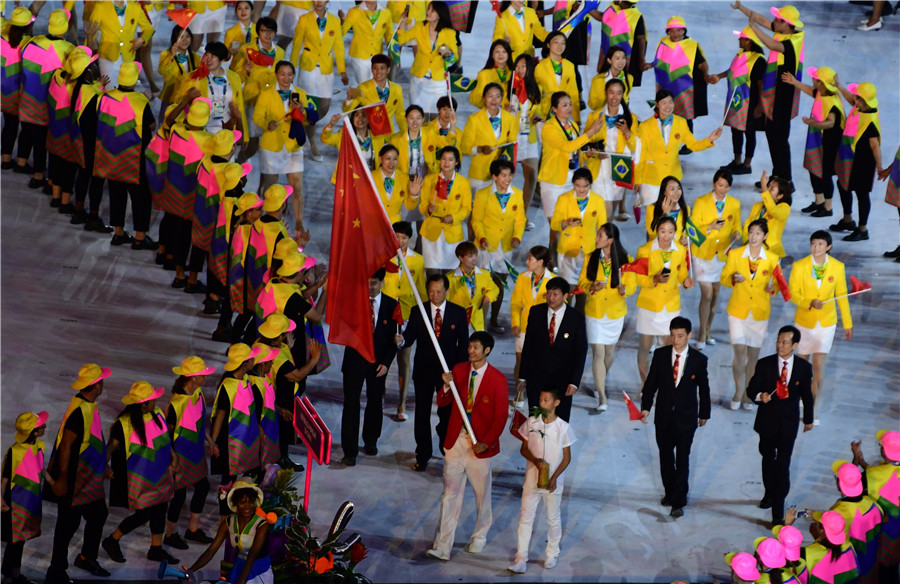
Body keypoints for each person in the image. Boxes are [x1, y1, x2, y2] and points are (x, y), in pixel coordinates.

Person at [426, 331, 508, 561]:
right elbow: (443, 402)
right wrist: (444, 386)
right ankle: (442, 546)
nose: (471, 351)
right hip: (455, 443)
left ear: (487, 350)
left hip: (479, 447)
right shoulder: (459, 370)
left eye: (476, 347)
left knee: (482, 496)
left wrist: (487, 442)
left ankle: (479, 536)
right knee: (449, 495)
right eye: (470, 346)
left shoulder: (498, 380)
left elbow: (501, 417)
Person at [44, 364, 112, 583]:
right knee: (67, 525)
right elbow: (65, 446)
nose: (103, 384)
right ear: (95, 385)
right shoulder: (78, 411)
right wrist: (62, 478)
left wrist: (104, 464)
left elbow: (93, 439)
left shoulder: (89, 405)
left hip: (89, 479)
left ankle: (86, 557)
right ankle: (56, 571)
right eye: (101, 381)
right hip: (74, 480)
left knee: (98, 514)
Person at [395, 274, 469, 472]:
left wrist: (458, 373)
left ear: (446, 291)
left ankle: (447, 449)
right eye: (431, 291)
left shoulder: (458, 313)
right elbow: (410, 337)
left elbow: (463, 346)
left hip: (448, 374)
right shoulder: (418, 311)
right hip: (424, 370)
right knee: (422, 413)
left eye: (438, 291)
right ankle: (423, 454)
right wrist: (402, 341)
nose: (434, 295)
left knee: (446, 415)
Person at [640, 316, 711, 518]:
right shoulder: (661, 355)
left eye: (680, 336)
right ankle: (670, 492)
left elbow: (704, 389)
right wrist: (646, 407)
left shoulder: (699, 360)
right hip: (663, 416)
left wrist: (704, 413)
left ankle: (678, 501)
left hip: (686, 418)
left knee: (682, 459)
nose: (676, 340)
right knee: (665, 457)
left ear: (689, 335)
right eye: (673, 335)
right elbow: (651, 384)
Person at [745, 325, 814, 526]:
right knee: (768, 459)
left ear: (794, 345)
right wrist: (760, 396)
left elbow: (807, 396)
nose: (780, 345)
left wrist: (808, 419)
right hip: (767, 422)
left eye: (785, 342)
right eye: (778, 340)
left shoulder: (803, 368)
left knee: (783, 465)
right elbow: (751, 389)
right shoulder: (765, 364)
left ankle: (778, 510)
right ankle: (768, 493)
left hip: (788, 424)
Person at [102, 382, 177, 564]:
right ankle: (112, 540)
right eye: (152, 400)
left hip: (160, 475)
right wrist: (105, 467)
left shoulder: (157, 414)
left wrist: (173, 457)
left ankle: (156, 549)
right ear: (143, 405)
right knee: (145, 514)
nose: (156, 402)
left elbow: (165, 439)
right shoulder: (124, 424)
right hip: (139, 480)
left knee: (160, 509)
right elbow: (111, 447)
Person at [731, 1, 805, 184]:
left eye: (777, 20)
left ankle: (786, 180)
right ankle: (778, 175)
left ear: (786, 24)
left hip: (783, 96)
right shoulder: (786, 31)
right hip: (776, 93)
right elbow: (762, 19)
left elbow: (772, 45)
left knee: (779, 138)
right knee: (773, 136)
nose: (773, 22)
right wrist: (742, 8)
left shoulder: (790, 43)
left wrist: (753, 29)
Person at [508, 386, 576, 573]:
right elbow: (524, 449)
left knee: (552, 518)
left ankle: (552, 553)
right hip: (531, 480)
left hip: (553, 483)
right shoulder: (532, 423)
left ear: (556, 403)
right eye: (540, 399)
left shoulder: (563, 428)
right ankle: (521, 557)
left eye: (546, 400)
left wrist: (554, 478)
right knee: (525, 517)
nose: (542, 403)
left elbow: (567, 458)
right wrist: (536, 461)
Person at [788, 230, 852, 423]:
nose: (816, 248)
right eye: (813, 244)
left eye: (820, 244)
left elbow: (842, 296)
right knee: (801, 365)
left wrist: (847, 323)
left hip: (826, 323)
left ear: (828, 247)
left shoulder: (837, 267)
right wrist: (809, 302)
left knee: (818, 365)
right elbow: (793, 293)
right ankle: (798, 397)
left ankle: (812, 409)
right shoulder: (799, 266)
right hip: (804, 322)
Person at [93, 62, 158, 250]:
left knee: (116, 193)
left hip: (110, 157)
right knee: (141, 197)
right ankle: (139, 236)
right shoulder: (140, 101)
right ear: (135, 80)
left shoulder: (105, 97)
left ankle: (119, 232)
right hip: (133, 159)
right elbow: (151, 126)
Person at [341, 269, 399, 466]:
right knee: (351, 404)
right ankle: (350, 450)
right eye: (366, 283)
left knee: (375, 402)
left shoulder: (392, 305)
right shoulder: (352, 302)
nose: (370, 287)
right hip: (354, 361)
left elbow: (395, 339)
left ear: (382, 282)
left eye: (374, 283)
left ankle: (371, 440)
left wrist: (387, 363)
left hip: (378, 363)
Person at [720, 219, 780, 410]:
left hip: (759, 312)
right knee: (739, 354)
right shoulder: (736, 254)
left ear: (765, 236)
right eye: (751, 232)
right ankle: (738, 390)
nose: (753, 237)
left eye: (758, 233)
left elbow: (778, 284)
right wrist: (732, 278)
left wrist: (773, 288)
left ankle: (748, 392)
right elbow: (723, 278)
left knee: (753, 356)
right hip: (738, 310)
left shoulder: (772, 258)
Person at [577, 223, 635, 413]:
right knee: (598, 353)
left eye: (600, 235)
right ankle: (602, 396)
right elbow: (582, 283)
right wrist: (591, 287)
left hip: (615, 313)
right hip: (595, 312)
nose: (596, 238)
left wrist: (625, 290)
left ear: (611, 240)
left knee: (609, 354)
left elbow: (632, 285)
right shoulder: (590, 258)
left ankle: (598, 380)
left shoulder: (627, 260)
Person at [253, 60, 317, 230]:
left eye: (289, 74)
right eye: (282, 74)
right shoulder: (266, 94)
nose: (286, 78)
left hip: (293, 146)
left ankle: (298, 223)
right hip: (271, 147)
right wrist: (268, 123)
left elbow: (312, 119)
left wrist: (302, 110)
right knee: (271, 188)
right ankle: (268, 222)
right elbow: (257, 117)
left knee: (297, 186)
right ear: (276, 75)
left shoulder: (301, 94)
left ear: (294, 75)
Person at [539, 92, 604, 257]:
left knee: (572, 225)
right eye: (564, 105)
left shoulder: (573, 126)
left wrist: (587, 155)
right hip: (553, 182)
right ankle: (552, 261)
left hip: (572, 181)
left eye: (570, 104)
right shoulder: (548, 128)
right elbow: (566, 147)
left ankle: (569, 260)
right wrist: (589, 133)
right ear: (554, 109)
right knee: (558, 226)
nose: (569, 108)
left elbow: (574, 152)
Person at [164, 357, 217, 551]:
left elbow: (200, 423)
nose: (206, 377)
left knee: (202, 487)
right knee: (178, 496)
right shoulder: (176, 403)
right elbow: (167, 434)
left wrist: (210, 441)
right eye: (203, 375)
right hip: (180, 455)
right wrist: (172, 457)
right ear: (193, 378)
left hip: (196, 452)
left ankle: (192, 529)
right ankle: (170, 534)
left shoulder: (199, 393)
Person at [518, 277, 588, 423]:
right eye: (549, 293)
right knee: (535, 420)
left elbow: (580, 352)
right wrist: (523, 376)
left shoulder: (576, 318)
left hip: (562, 380)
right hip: (537, 377)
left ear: (565, 296)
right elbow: (528, 345)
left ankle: (557, 446)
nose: (551, 298)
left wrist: (574, 382)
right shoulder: (536, 312)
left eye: (555, 294)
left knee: (560, 421)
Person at [16, 9, 73, 190]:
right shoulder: (68, 51)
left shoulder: (31, 44)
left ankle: (27, 166)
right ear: (65, 27)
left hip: (27, 103)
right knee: (45, 143)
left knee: (29, 135)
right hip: (48, 108)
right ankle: (42, 176)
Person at [635, 90, 721, 207]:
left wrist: (710, 139)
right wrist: (638, 180)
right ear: (657, 104)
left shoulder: (680, 122)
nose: (668, 106)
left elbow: (693, 145)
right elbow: (640, 155)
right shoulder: (645, 127)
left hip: (673, 178)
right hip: (651, 179)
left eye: (670, 102)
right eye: (664, 103)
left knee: (672, 215)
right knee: (653, 217)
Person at [634, 215, 694, 384]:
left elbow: (681, 272)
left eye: (670, 232)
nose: (666, 236)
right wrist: (654, 280)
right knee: (645, 348)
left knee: (670, 349)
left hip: (671, 306)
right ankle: (645, 384)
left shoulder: (680, 250)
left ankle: (665, 383)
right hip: (649, 306)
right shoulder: (645, 250)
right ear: (656, 231)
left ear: (675, 232)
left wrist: (686, 281)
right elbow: (638, 278)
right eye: (662, 231)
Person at [781, 66, 844, 218]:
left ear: (822, 83)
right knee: (813, 167)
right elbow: (811, 91)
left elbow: (831, 123)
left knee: (826, 173)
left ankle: (827, 207)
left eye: (816, 79)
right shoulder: (821, 94)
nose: (813, 80)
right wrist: (794, 82)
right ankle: (818, 200)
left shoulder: (832, 102)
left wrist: (813, 123)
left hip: (829, 142)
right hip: (817, 138)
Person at [289, 0, 349, 162]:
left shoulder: (335, 21)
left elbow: (339, 47)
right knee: (309, 106)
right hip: (307, 70)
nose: (318, 2)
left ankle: (301, 130)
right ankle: (313, 144)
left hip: (326, 70)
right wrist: (291, 70)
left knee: (323, 107)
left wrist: (342, 71)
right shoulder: (304, 19)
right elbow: (296, 45)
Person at [471, 158, 526, 331]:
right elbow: (477, 221)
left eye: (510, 175)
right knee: (484, 283)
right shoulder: (482, 194)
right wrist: (481, 238)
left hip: (506, 247)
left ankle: (493, 319)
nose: (507, 179)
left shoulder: (517, 194)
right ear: (495, 176)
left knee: (500, 283)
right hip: (486, 246)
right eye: (503, 175)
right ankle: (480, 321)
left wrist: (517, 237)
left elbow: (520, 220)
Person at [690, 168, 743, 346]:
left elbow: (737, 225)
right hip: (703, 253)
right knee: (706, 294)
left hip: (721, 255)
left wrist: (737, 233)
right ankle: (700, 335)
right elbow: (693, 229)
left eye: (726, 186)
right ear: (714, 183)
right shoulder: (701, 202)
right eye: (720, 185)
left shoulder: (734, 204)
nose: (723, 189)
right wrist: (710, 227)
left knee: (715, 294)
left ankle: (707, 330)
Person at [187, 479, 273, 584]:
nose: (247, 506)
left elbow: (252, 555)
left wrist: (241, 581)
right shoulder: (228, 523)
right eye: (242, 502)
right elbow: (211, 550)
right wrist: (190, 570)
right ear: (235, 503)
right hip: (240, 567)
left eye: (251, 502)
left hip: (258, 571)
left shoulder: (262, 525)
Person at [382, 221, 427, 422]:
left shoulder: (417, 261)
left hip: (407, 314)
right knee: (382, 355)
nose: (400, 241)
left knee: (405, 361)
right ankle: (380, 393)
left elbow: (421, 290)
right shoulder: (382, 255)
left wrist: (426, 314)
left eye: (404, 237)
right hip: (386, 313)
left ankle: (401, 404)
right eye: (397, 236)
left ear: (410, 239)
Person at [707, 26, 766, 176]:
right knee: (736, 130)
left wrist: (760, 104)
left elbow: (761, 84)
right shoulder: (740, 53)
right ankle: (737, 160)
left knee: (749, 132)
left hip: (750, 103)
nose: (739, 40)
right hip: (736, 101)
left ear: (749, 41)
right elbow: (731, 70)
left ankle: (747, 164)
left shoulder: (758, 61)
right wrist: (719, 76)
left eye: (742, 38)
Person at [832, 78, 884, 241]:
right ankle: (848, 220)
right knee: (842, 184)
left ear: (863, 100)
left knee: (861, 193)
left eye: (857, 97)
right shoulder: (860, 108)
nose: (854, 99)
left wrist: (880, 167)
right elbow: (850, 99)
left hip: (863, 162)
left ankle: (862, 229)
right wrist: (839, 86)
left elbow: (875, 146)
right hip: (850, 157)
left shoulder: (870, 121)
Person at [645, 15, 709, 146]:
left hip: (684, 89)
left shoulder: (692, 46)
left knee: (686, 115)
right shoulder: (664, 42)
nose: (675, 34)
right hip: (666, 86)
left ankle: (689, 144)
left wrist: (706, 76)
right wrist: (651, 64)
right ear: (667, 32)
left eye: (679, 30)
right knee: (664, 112)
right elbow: (661, 60)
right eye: (672, 31)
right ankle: (665, 139)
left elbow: (703, 64)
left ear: (684, 31)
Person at [1, 411, 48, 584]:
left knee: (20, 541)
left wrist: (52, 481)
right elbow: (4, 480)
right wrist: (1, 500)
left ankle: (15, 574)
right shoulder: (15, 452)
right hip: (15, 504)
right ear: (33, 432)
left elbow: (40, 467)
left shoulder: (39, 445)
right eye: (42, 426)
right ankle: (8, 577)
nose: (45, 427)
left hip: (30, 501)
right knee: (15, 542)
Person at [583, 77, 639, 221]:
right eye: (611, 93)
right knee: (605, 213)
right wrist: (593, 154)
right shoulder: (594, 116)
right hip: (599, 168)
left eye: (619, 93)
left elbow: (636, 147)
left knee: (609, 213)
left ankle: (604, 238)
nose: (615, 97)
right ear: (605, 93)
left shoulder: (630, 117)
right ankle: (602, 240)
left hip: (620, 168)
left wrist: (627, 132)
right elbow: (584, 144)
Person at [822, 460, 883, 583]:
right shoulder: (871, 503)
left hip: (852, 566)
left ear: (839, 484)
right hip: (872, 562)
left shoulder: (837, 511)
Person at [851, 430, 900, 584]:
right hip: (898, 537)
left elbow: (851, 489)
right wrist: (862, 461)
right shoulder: (875, 473)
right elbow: (885, 473)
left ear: (883, 450)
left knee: (881, 574)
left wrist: (856, 460)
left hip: (879, 538)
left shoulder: (870, 476)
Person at [210, 344, 263, 483]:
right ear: (244, 364)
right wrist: (213, 442)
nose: (254, 361)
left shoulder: (245, 379)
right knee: (229, 480)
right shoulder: (227, 387)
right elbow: (219, 417)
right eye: (251, 359)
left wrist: (258, 427)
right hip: (230, 442)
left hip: (247, 439)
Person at [396, 2, 459, 115]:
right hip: (418, 80)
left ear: (440, 14)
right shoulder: (420, 26)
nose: (428, 12)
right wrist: (403, 22)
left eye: (432, 10)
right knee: (417, 116)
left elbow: (454, 58)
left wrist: (446, 53)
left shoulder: (449, 32)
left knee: (436, 117)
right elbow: (400, 40)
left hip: (438, 83)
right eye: (428, 9)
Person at [460, 82, 519, 201]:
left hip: (501, 175)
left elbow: (512, 145)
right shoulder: (474, 119)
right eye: (490, 96)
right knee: (476, 209)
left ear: (502, 99)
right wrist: (480, 149)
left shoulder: (510, 119)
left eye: (497, 96)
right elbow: (465, 147)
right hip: (480, 173)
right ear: (484, 98)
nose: (494, 100)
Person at [418, 146, 472, 276]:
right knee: (432, 273)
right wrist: (428, 210)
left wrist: (453, 217)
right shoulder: (430, 179)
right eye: (443, 159)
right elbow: (422, 205)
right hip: (431, 232)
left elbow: (466, 208)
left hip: (452, 233)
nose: (446, 163)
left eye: (450, 159)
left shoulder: (463, 183)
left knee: (451, 273)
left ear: (456, 162)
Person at [551, 168, 607, 290]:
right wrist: (566, 223)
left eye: (585, 186)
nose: (581, 190)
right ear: (573, 184)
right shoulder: (563, 199)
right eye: (578, 186)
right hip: (568, 250)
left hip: (589, 250)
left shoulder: (598, 200)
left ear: (590, 185)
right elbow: (554, 224)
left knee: (584, 289)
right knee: (567, 288)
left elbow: (603, 227)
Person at [510, 245, 553, 390]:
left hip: (543, 330)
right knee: (520, 361)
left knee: (539, 363)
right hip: (523, 327)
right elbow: (515, 303)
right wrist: (515, 323)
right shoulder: (522, 278)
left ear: (540, 262)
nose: (527, 262)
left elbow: (561, 306)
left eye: (530, 259)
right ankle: (519, 394)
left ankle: (537, 392)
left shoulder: (553, 280)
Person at [507, 54, 543, 224]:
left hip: (529, 137)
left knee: (532, 177)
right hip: (512, 137)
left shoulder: (536, 89)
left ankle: (523, 214)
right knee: (507, 176)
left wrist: (538, 116)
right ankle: (507, 213)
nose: (520, 69)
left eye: (523, 66)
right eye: (517, 66)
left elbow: (542, 109)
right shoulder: (509, 88)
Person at [88, 0, 153, 94]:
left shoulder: (135, 7)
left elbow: (148, 29)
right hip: (108, 57)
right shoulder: (100, 7)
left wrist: (142, 39)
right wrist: (89, 53)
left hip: (128, 56)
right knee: (108, 91)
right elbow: (91, 32)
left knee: (127, 93)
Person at [188, 41, 249, 138]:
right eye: (207, 55)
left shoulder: (234, 78)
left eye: (213, 57)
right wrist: (188, 98)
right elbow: (179, 102)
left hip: (227, 131)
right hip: (202, 130)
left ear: (222, 60)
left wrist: (244, 135)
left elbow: (239, 106)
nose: (208, 60)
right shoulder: (195, 77)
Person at [0, 7, 35, 172]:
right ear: (28, 26)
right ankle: (21, 162)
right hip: (21, 94)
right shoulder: (30, 44)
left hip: (3, 93)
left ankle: (6, 160)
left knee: (9, 125)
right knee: (27, 129)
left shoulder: (1, 38)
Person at [343, 54, 407, 136]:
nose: (378, 71)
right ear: (372, 70)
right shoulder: (363, 87)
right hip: (371, 137)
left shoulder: (397, 89)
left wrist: (406, 135)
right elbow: (348, 110)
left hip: (389, 137)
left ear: (388, 70)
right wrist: (349, 99)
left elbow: (400, 116)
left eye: (382, 68)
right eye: (375, 68)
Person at [446, 242, 500, 333]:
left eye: (476, 255)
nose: (475, 259)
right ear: (460, 258)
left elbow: (495, 289)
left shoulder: (484, 274)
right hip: (457, 322)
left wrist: (488, 296)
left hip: (477, 323)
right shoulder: (450, 278)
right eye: (470, 256)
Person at [797, 510, 861, 584]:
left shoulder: (807, 553)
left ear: (821, 530)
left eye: (817, 523)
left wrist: (787, 524)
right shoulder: (848, 544)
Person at [341, 0, 393, 86]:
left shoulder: (386, 13)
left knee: (376, 86)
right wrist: (342, 19)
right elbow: (342, 32)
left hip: (377, 56)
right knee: (364, 86)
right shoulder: (354, 11)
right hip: (360, 56)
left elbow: (390, 37)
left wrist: (395, 55)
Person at [321, 110, 386, 177]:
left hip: (370, 179)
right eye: (356, 115)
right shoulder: (344, 135)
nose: (360, 119)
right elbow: (326, 139)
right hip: (349, 180)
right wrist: (331, 124)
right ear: (352, 119)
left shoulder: (377, 137)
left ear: (368, 118)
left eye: (363, 115)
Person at [598, 0, 647, 87]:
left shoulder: (635, 15)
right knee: (605, 81)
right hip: (608, 53)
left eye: (630, 4)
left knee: (621, 83)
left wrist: (642, 60)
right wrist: (586, 9)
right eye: (626, 3)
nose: (628, 5)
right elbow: (602, 17)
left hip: (623, 58)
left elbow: (641, 39)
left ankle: (624, 100)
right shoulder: (612, 7)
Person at [743, 171, 792, 258]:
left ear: (780, 196)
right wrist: (746, 244)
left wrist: (764, 187)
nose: (768, 190)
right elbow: (747, 225)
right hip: (751, 250)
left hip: (771, 252)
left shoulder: (785, 208)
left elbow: (773, 210)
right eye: (768, 186)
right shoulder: (757, 205)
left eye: (772, 188)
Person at [534, 31, 580, 124]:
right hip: (545, 113)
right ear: (548, 45)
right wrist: (535, 112)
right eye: (556, 42)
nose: (560, 46)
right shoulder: (539, 66)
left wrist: (577, 119)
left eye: (563, 43)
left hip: (564, 113)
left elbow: (574, 93)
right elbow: (535, 93)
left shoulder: (569, 66)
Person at [157, 26, 199, 121]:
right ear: (174, 38)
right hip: (171, 97)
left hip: (187, 99)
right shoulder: (166, 55)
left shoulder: (196, 58)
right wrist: (172, 55)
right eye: (181, 37)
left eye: (187, 36)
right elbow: (162, 71)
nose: (184, 40)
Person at [588, 46, 633, 112]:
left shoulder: (629, 78)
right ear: (609, 60)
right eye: (617, 58)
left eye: (623, 58)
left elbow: (626, 101)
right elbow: (592, 104)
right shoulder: (598, 80)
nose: (621, 62)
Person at [469, 40, 512, 109]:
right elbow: (475, 99)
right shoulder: (484, 74)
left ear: (508, 55)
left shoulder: (514, 74)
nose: (501, 55)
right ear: (492, 55)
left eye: (504, 52)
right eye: (497, 52)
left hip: (511, 115)